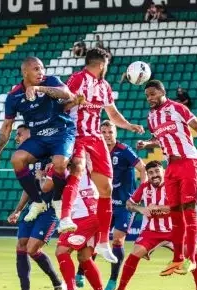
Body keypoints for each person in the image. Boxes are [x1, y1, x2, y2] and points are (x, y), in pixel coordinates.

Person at [61, 48, 144, 263]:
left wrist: (129, 125)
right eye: (107, 64)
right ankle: (65, 217)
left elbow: (113, 114)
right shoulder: (78, 78)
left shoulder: (104, 86)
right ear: (101, 65)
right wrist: (73, 102)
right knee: (78, 168)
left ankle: (102, 243)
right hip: (76, 134)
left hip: (95, 137)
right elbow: (61, 105)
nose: (108, 67)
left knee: (105, 189)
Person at [0, 57, 80, 229]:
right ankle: (37, 202)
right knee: (17, 159)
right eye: (36, 69)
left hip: (61, 132)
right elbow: (7, 126)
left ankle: (58, 200)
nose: (41, 72)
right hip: (39, 137)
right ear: (25, 72)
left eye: (42, 68)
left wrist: (39, 88)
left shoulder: (50, 81)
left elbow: (67, 94)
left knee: (60, 163)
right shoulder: (14, 96)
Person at [137, 80, 197, 276]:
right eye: (147, 95)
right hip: (170, 166)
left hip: (189, 162)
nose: (150, 98)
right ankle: (177, 258)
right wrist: (147, 144)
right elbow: (160, 140)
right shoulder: (151, 117)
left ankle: (190, 259)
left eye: (153, 94)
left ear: (163, 92)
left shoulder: (177, 108)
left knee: (189, 213)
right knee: (175, 215)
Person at [112, 160, 197, 290]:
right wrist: (141, 209)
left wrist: (158, 208)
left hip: (175, 230)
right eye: (150, 173)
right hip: (152, 231)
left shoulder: (174, 185)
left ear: (163, 171)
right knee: (135, 253)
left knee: (194, 253)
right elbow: (129, 204)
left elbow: (183, 207)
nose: (154, 175)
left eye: (157, 171)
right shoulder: (145, 187)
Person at [7, 124, 65, 290]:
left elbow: (51, 185)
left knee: (32, 249)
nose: (17, 138)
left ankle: (58, 284)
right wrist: (17, 211)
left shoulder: (53, 157)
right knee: (21, 245)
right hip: (32, 208)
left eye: (19, 134)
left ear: (31, 134)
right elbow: (28, 189)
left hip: (48, 210)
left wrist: (41, 177)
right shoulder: (29, 162)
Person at [51, 165, 110, 290]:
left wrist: (42, 175)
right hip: (92, 212)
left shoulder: (71, 161)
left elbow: (46, 186)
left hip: (84, 215)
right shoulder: (83, 163)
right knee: (84, 257)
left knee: (62, 251)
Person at [99, 120, 146, 290]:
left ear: (115, 133)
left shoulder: (124, 150)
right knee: (96, 239)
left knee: (117, 240)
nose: (107, 136)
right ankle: (81, 273)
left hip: (125, 204)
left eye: (110, 132)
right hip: (104, 202)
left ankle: (112, 280)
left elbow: (142, 169)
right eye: (103, 132)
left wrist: (140, 193)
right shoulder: (96, 150)